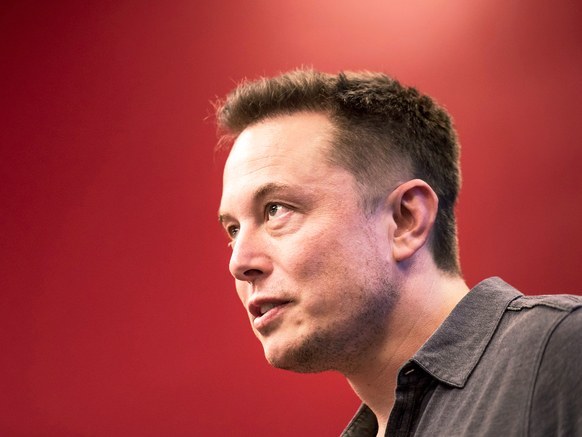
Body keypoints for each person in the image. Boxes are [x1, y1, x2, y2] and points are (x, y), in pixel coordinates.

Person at [215, 69, 582, 436]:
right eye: (233, 229)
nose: (239, 263)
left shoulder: (565, 349)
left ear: (405, 220)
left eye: (276, 210)